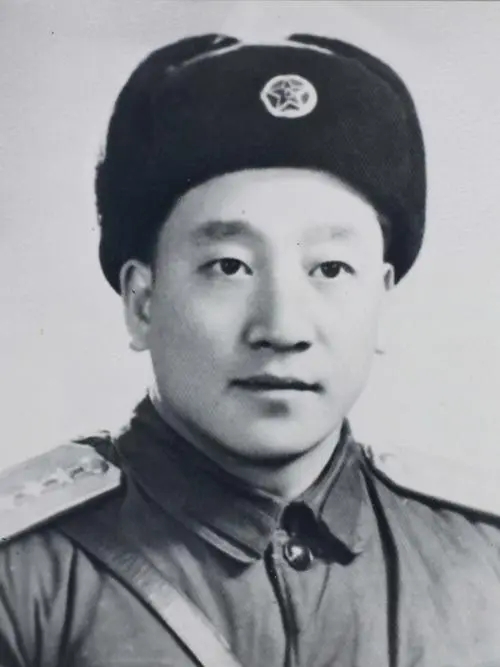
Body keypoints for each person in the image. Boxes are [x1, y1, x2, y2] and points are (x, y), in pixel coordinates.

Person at [1, 32, 499, 667]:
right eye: (230, 266)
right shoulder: (23, 582)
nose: (282, 328)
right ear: (142, 302)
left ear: (382, 302)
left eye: (330, 269)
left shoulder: (482, 561)